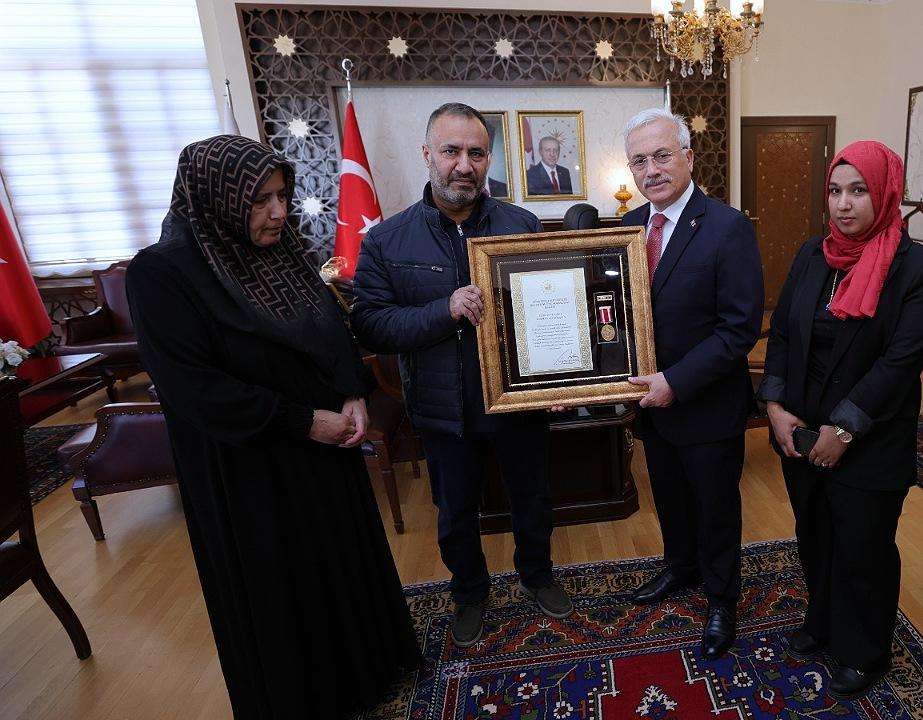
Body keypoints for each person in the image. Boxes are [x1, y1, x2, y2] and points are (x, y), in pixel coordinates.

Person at [126, 135, 421, 719]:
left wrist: (350, 392)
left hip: (328, 442)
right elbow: (194, 389)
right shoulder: (162, 274)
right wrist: (302, 421)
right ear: (219, 200)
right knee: (282, 586)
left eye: (283, 196)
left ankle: (368, 672)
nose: (279, 213)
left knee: (340, 565)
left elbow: (331, 331)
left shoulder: (282, 250)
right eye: (260, 201)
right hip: (250, 464)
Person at [351, 102, 574, 650]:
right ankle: (470, 592)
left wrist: (559, 377)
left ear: (488, 158)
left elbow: (547, 311)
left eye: (476, 153)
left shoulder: (521, 225)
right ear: (427, 155)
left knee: (532, 499)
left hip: (517, 404)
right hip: (441, 408)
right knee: (455, 515)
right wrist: (443, 309)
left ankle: (537, 575)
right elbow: (372, 326)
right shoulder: (386, 240)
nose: (464, 165)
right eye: (451, 151)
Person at [758, 141, 923, 699]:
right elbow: (786, 331)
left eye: (859, 190)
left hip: (869, 438)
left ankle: (866, 651)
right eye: (836, 191)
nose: (844, 204)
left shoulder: (918, 268)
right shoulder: (813, 254)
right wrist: (775, 407)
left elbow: (901, 360)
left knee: (864, 546)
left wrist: (844, 429)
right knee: (815, 534)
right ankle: (822, 622)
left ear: (885, 193)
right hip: (801, 428)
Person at [621, 107, 764, 661]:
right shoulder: (632, 230)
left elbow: (739, 329)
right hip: (650, 404)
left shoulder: (728, 227)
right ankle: (679, 568)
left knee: (716, 506)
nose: (651, 169)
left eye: (661, 155)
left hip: (704, 402)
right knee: (671, 498)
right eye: (640, 160)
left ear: (688, 157)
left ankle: (723, 596)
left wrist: (675, 383)